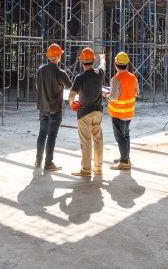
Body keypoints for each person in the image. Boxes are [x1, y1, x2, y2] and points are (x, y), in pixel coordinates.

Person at [68, 48, 106, 177]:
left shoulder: (80, 77)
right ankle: (98, 167)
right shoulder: (99, 73)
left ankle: (86, 169)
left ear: (81, 61)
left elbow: (72, 95)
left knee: (86, 141)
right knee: (98, 140)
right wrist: (103, 57)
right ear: (92, 60)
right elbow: (103, 66)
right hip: (98, 112)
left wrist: (72, 103)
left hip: (84, 113)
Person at [36, 43, 72, 172]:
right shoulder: (59, 72)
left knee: (42, 134)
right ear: (58, 57)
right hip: (54, 110)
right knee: (51, 136)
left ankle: (38, 161)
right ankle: (48, 163)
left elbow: (38, 86)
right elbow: (70, 87)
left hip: (42, 108)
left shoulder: (41, 70)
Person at [106, 51, 139, 170]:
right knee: (126, 136)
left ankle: (124, 161)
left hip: (118, 113)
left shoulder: (116, 79)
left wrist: (107, 95)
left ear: (115, 64)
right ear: (127, 64)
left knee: (120, 138)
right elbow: (136, 92)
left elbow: (113, 97)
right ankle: (125, 157)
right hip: (129, 113)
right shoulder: (133, 77)